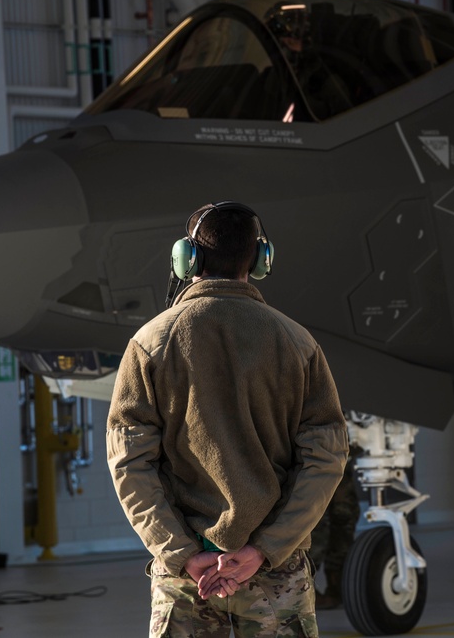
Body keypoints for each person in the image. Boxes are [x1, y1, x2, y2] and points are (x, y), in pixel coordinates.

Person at [107, 201, 349, 638]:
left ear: (187, 259)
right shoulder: (297, 342)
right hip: (275, 572)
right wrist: (265, 549)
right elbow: (326, 459)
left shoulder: (149, 343)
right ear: (260, 260)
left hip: (187, 579)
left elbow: (129, 463)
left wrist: (180, 551)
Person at [309, 453, 361, 610]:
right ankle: (306, 590)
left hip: (341, 460)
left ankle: (339, 586)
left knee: (344, 520)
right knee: (315, 524)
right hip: (313, 463)